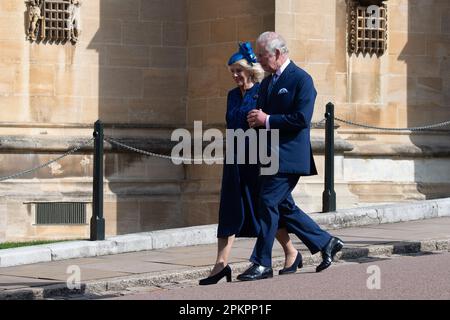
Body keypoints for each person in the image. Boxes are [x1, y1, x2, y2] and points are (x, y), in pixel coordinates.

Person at [237, 32, 344, 281]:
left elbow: (300, 119)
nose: (259, 61)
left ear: (277, 53)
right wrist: (256, 118)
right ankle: (327, 243)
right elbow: (263, 115)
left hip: (289, 157)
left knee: (266, 203)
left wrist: (268, 120)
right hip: (269, 156)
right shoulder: (267, 82)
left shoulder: (301, 79)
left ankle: (262, 262)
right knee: (283, 207)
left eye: (262, 56)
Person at [199, 42, 300, 285]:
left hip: (257, 160)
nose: (234, 75)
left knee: (264, 210)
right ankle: (221, 265)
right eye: (231, 71)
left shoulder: (262, 92)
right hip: (235, 160)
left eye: (238, 70)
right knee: (229, 210)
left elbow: (268, 126)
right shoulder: (232, 95)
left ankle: (291, 251)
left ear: (249, 70)